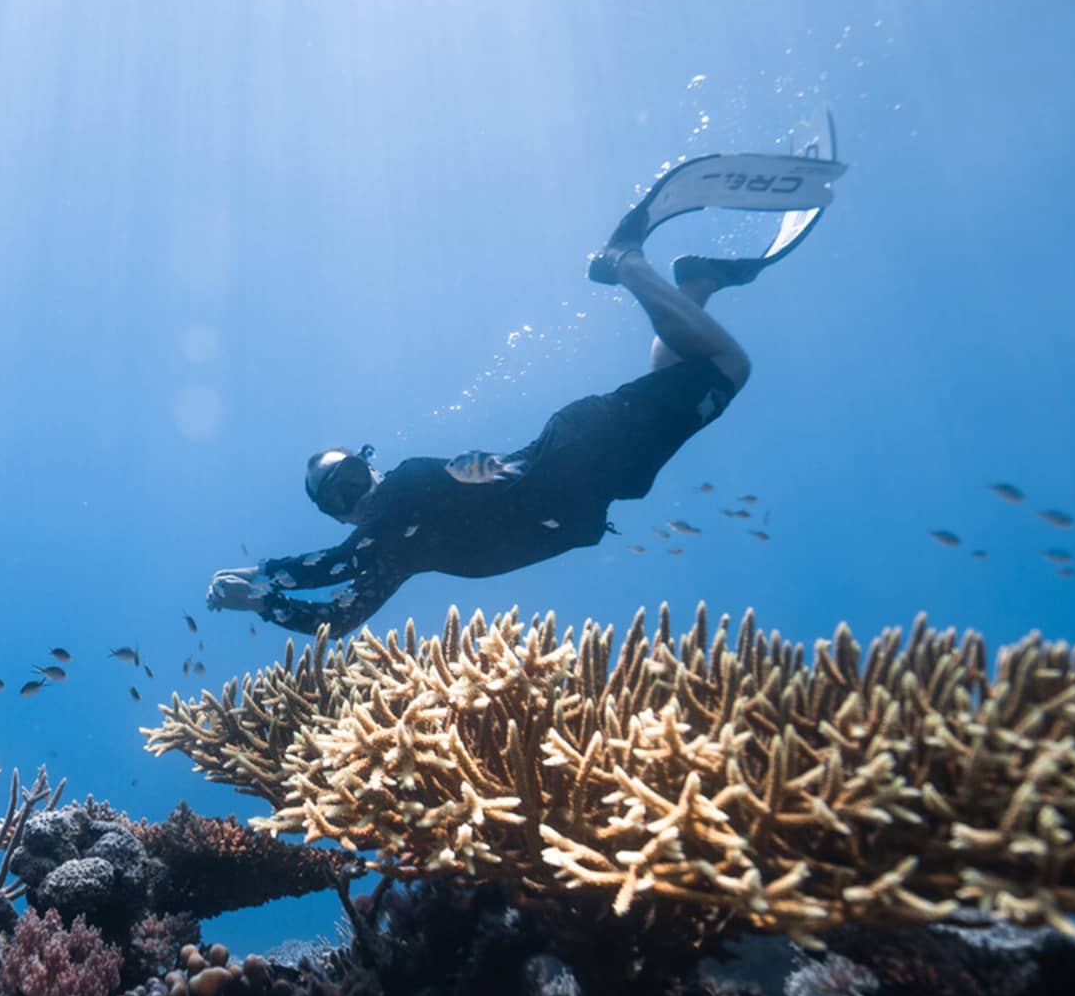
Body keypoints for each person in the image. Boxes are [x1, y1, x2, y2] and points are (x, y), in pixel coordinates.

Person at [206, 146, 834, 640]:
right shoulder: (396, 553)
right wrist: (265, 596)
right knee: (689, 372)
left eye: (353, 475)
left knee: (729, 366)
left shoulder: (399, 493)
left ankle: (626, 260)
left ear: (372, 467)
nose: (357, 492)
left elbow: (338, 564)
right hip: (597, 473)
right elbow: (338, 615)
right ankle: (692, 287)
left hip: (588, 453)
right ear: (337, 511)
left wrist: (266, 583)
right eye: (341, 493)